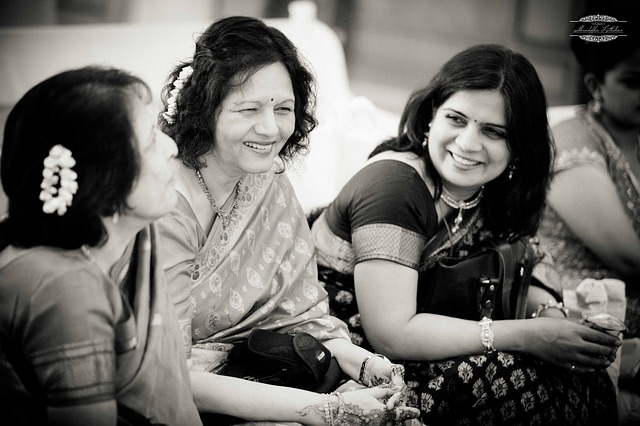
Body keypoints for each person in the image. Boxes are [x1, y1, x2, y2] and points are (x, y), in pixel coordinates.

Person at [310, 44, 621, 425]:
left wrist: (548, 314)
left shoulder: (490, 189)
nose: (468, 143)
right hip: (351, 353)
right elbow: (391, 334)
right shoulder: (396, 187)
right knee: (511, 381)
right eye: (456, 119)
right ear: (430, 118)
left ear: (518, 148)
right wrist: (530, 335)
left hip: (434, 341)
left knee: (579, 377)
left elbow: (524, 258)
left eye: (493, 131)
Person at [156, 16, 419, 425]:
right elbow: (169, 376)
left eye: (284, 109)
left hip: (262, 369)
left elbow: (299, 321)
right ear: (205, 110)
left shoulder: (266, 180)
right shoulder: (163, 202)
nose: (270, 128)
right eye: (249, 109)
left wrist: (366, 365)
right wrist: (328, 410)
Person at [0, 67, 201, 425]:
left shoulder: (119, 244)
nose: (171, 146)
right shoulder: (65, 290)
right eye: (151, 140)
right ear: (103, 179)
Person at [532, 16, 640, 424]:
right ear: (596, 86)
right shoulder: (575, 143)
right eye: (632, 81)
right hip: (587, 309)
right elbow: (631, 259)